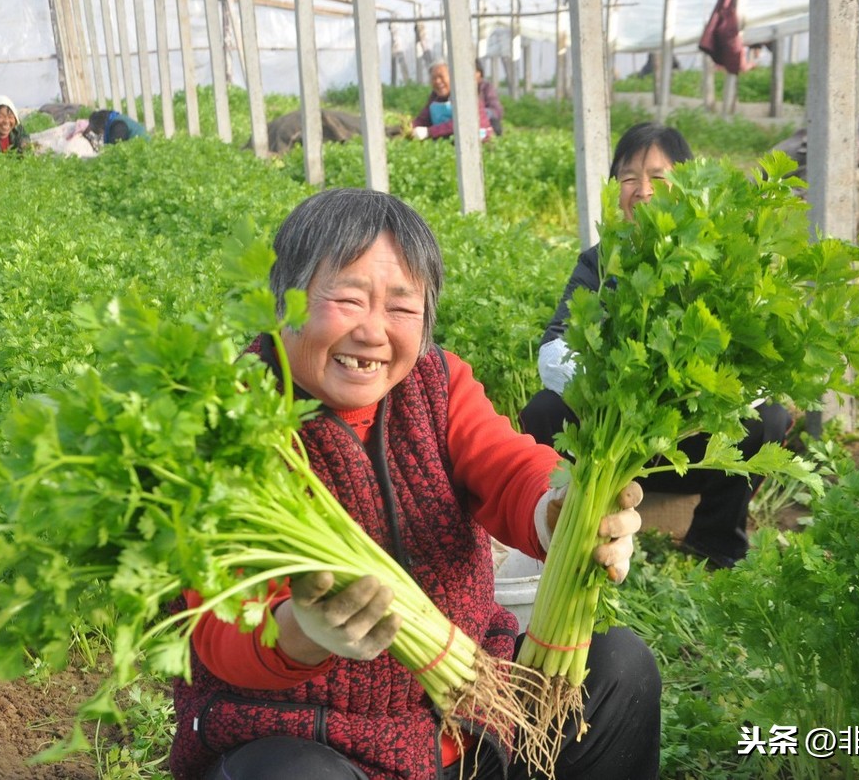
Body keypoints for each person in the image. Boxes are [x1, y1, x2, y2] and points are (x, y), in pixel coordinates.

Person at [169, 188, 661, 780]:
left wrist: (560, 512)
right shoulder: (226, 423)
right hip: (317, 737)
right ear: (282, 303)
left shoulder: (436, 385)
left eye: (401, 308)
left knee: (619, 666)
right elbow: (219, 630)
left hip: (473, 716)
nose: (374, 331)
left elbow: (509, 468)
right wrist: (303, 631)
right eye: (347, 299)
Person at [519, 122, 793, 570]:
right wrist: (625, 384)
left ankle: (714, 542)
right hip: (617, 441)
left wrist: (687, 392)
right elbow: (554, 347)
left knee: (769, 419)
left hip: (692, 442)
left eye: (658, 177)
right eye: (628, 178)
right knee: (544, 411)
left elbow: (754, 362)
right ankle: (571, 527)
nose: (642, 191)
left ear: (687, 187)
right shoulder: (600, 261)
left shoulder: (717, 259)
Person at [411, 60, 493, 142]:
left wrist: (429, 132)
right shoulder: (435, 96)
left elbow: (462, 123)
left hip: (475, 143)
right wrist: (407, 128)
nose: (437, 81)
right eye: (434, 78)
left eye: (441, 77)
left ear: (453, 77)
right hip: (448, 141)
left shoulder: (466, 95)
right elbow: (423, 119)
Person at [81, 108, 148, 150]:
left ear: (100, 126)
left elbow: (115, 149)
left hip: (144, 148)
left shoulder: (117, 126)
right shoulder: (114, 119)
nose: (101, 134)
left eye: (98, 132)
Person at [475, 59, 504, 136]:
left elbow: (497, 111)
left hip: (486, 125)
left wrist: (481, 113)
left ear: (479, 73)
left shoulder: (486, 87)